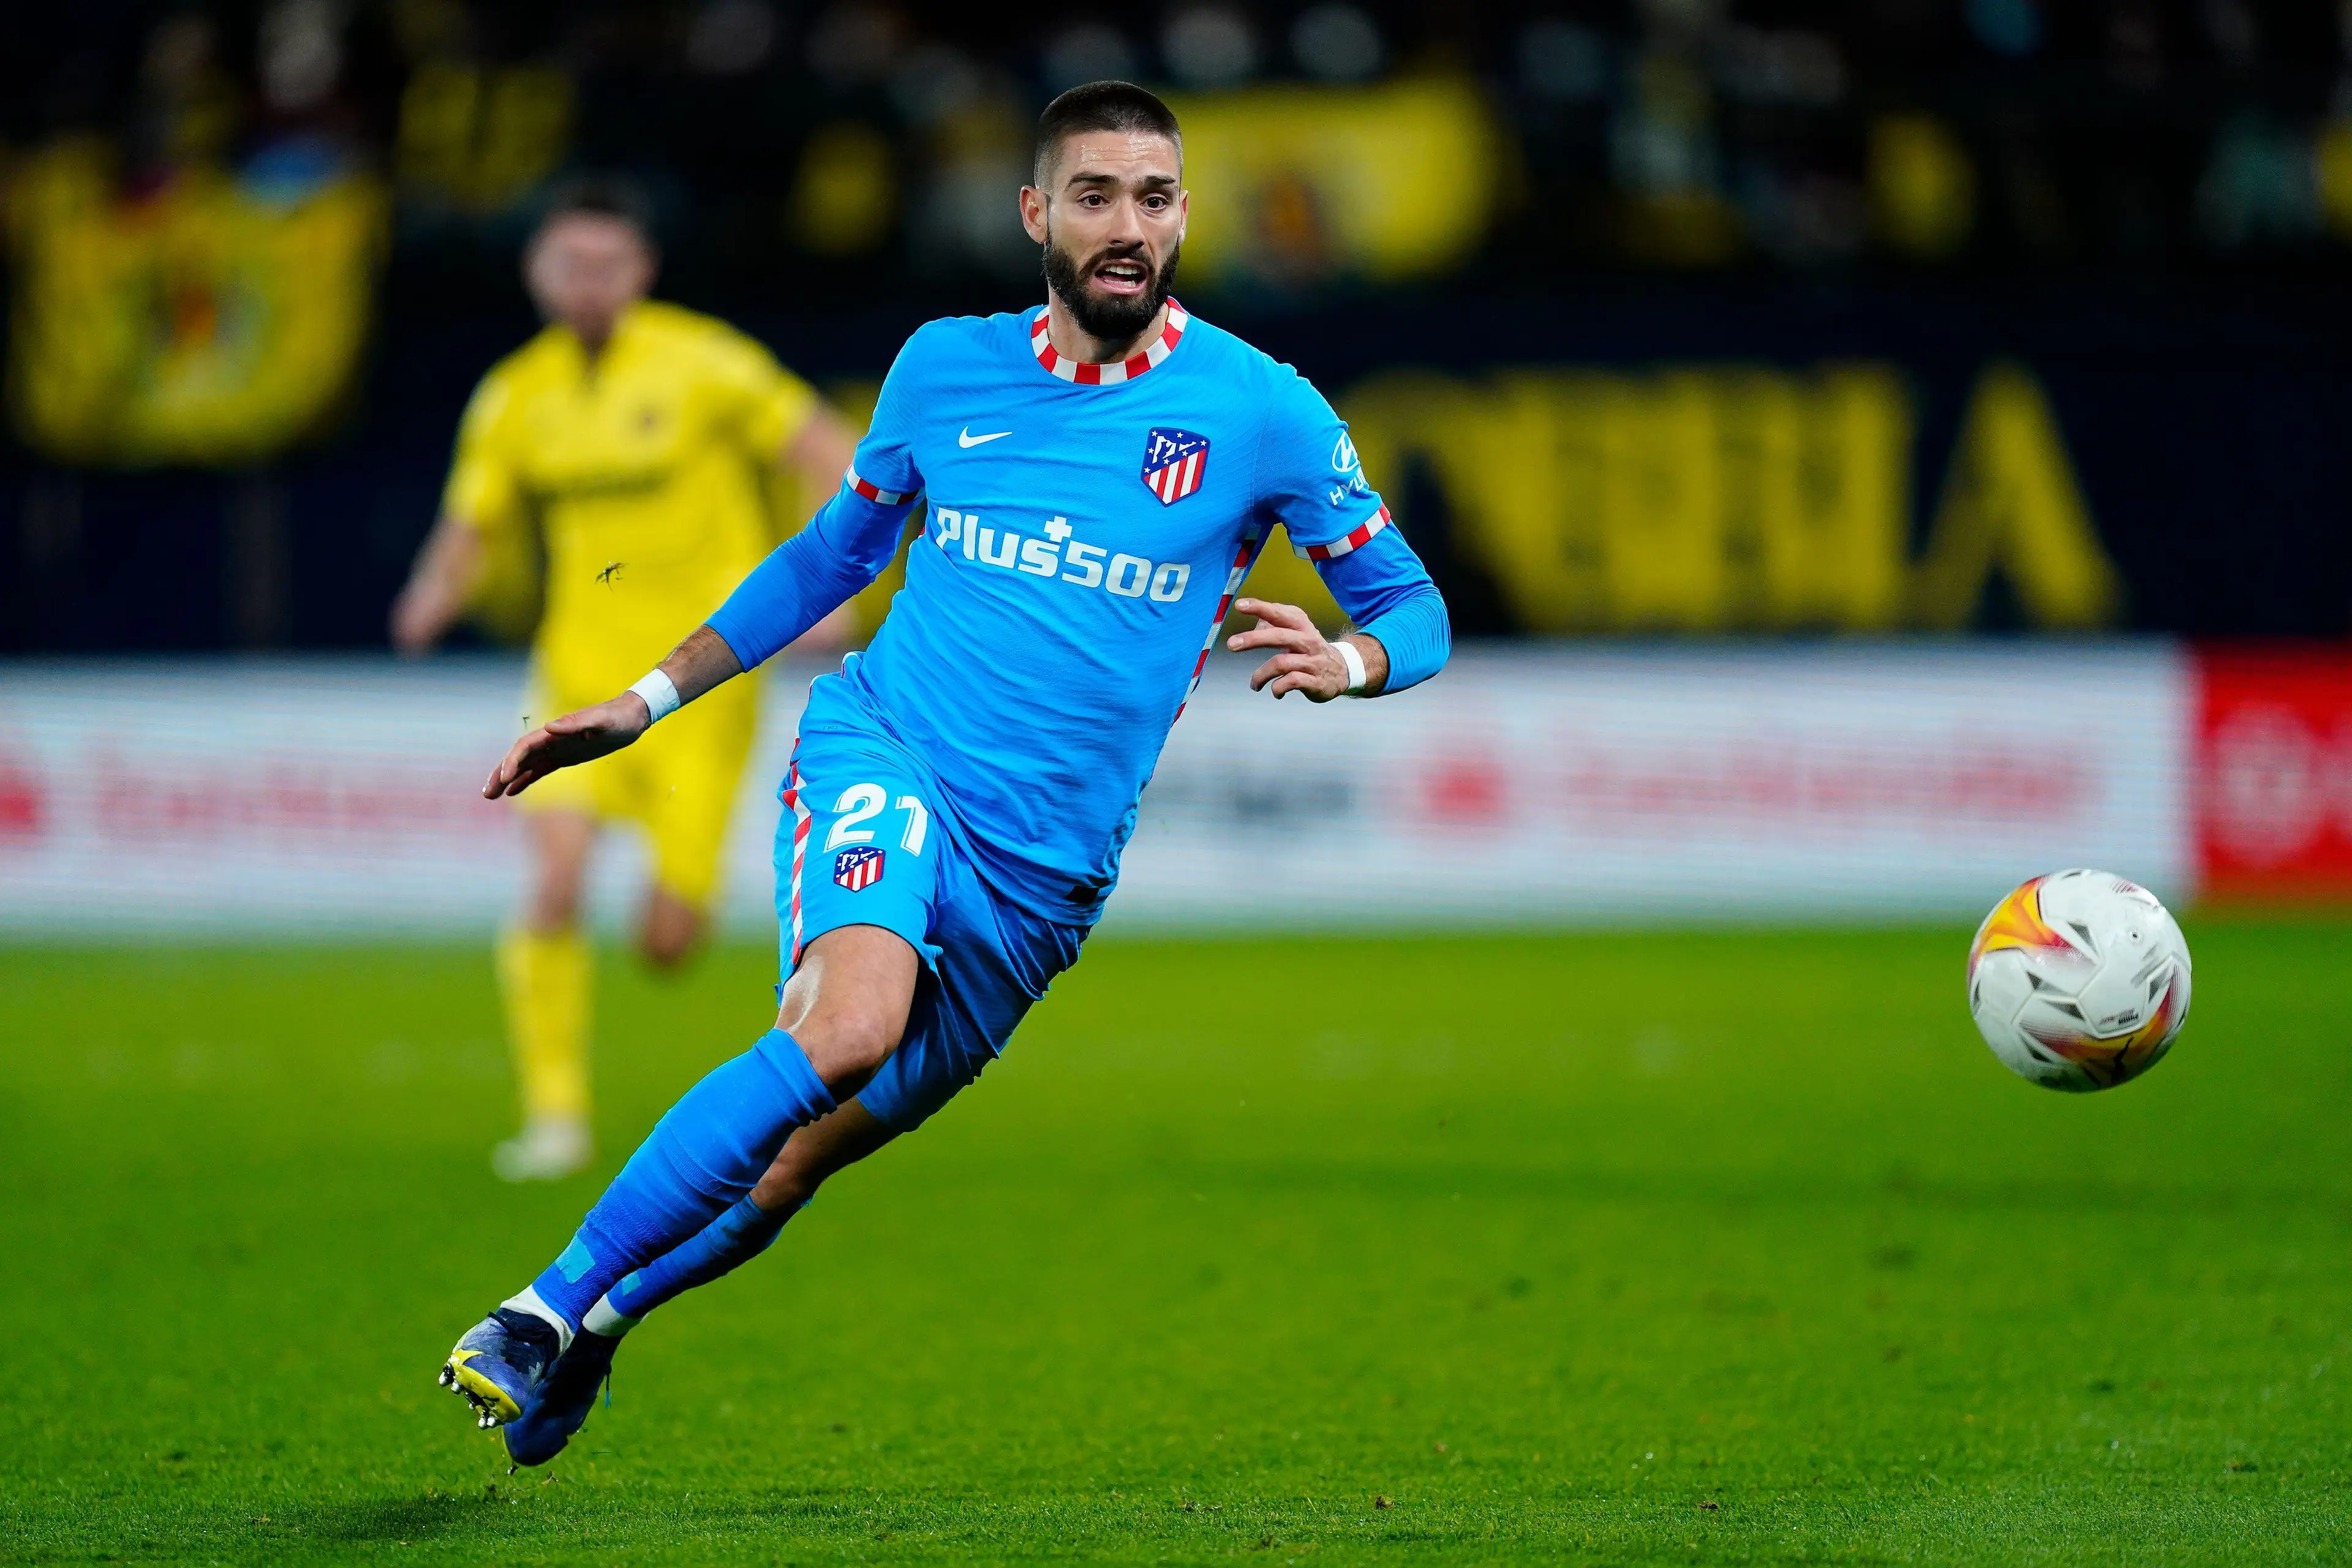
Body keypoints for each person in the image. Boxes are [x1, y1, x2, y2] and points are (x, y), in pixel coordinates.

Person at [435, 83, 1451, 1464]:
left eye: (1154, 198)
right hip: (888, 747)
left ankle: (596, 1332)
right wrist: (648, 697)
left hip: (1043, 879)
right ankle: (535, 1308)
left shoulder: (1262, 411)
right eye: (1094, 193)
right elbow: (833, 556)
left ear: (1185, 218)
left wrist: (1354, 663)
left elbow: (1414, 607)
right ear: (1036, 213)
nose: (1126, 225)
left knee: (795, 1160)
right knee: (844, 1026)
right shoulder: (944, 368)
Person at [392, 178, 859, 1182]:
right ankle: (554, 1119)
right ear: (536, 274)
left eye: (607, 265)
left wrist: (834, 587)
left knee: (666, 940)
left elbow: (830, 451)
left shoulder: (705, 362)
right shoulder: (516, 393)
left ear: (641, 272)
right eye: (568, 264)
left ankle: (679, 911)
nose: (587, 283)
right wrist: (431, 593)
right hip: (574, 671)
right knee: (553, 880)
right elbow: (471, 522)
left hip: (697, 683)